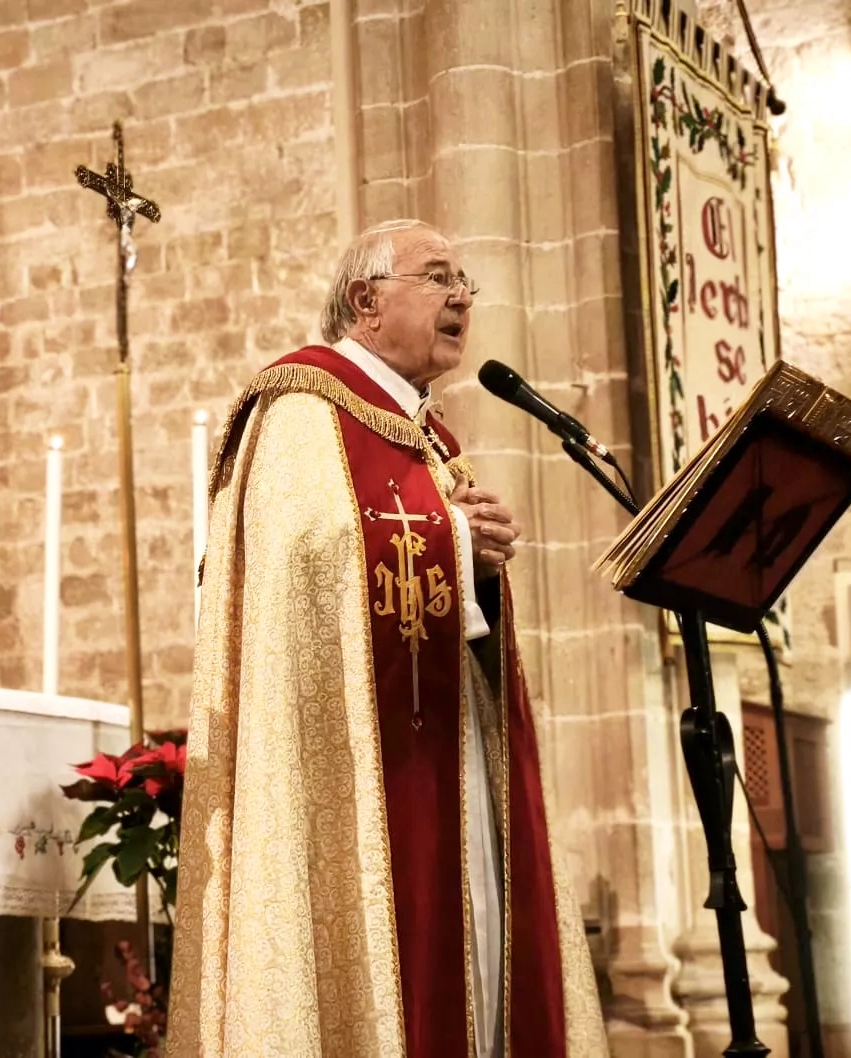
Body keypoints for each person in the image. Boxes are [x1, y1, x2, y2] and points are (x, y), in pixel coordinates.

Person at [169, 219, 607, 1057]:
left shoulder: (426, 434)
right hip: (351, 767)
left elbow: (424, 572)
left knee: (472, 941)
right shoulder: (301, 405)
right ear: (367, 301)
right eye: (437, 277)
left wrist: (477, 565)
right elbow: (299, 556)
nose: (461, 297)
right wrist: (452, 537)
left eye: (466, 281)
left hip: (444, 751)